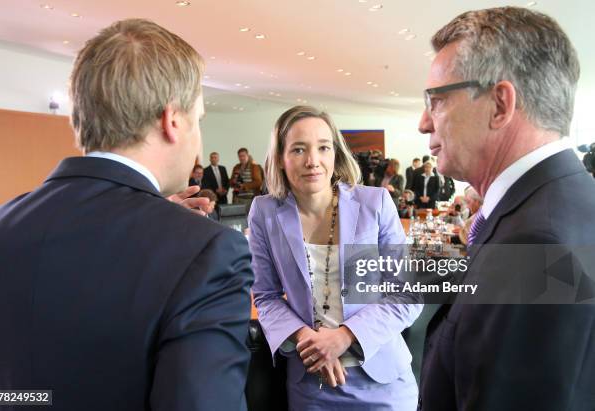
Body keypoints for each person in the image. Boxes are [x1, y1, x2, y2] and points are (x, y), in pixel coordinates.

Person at [0, 19, 253, 411]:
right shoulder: (208, 251)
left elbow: (23, 392)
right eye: (200, 119)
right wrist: (176, 243)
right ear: (172, 121)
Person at [417, 7, 595, 411]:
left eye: (437, 101)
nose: (424, 123)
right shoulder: (573, 200)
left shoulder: (535, 245)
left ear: (500, 104)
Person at [249, 105, 422, 410]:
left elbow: (407, 292)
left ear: (336, 154)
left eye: (323, 148)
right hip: (312, 383)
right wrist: (310, 343)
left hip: (382, 382)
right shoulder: (264, 212)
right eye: (299, 149)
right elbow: (265, 297)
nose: (313, 161)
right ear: (280, 157)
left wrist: (344, 337)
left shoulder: (375, 203)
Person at [230, 147, 262, 213]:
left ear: (247, 155)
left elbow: (258, 182)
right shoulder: (236, 167)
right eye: (240, 156)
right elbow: (231, 182)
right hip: (237, 198)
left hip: (249, 199)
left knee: (249, 219)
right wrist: (233, 181)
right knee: (238, 218)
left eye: (243, 156)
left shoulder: (254, 167)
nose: (241, 158)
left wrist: (244, 186)